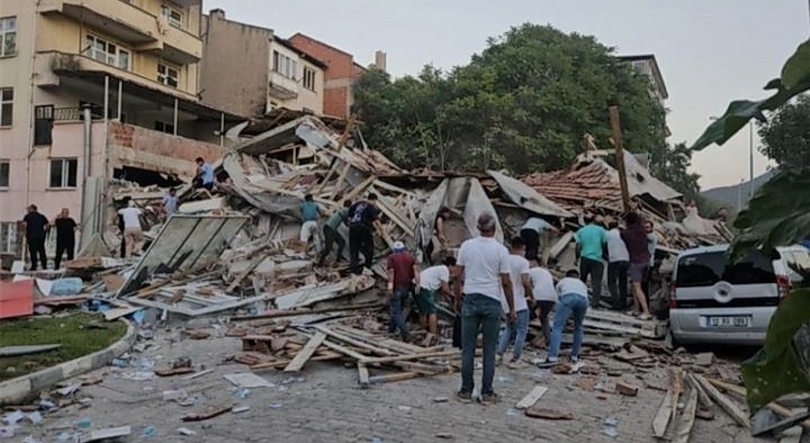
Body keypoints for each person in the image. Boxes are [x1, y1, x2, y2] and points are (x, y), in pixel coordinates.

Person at [454, 213, 514, 405]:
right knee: (489, 349)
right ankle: (487, 393)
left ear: (478, 228)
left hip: (470, 298)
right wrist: (511, 308)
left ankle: (465, 390)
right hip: (491, 301)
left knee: (467, 349)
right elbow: (506, 282)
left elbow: (457, 275)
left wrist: (457, 297)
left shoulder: (466, 246)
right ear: (494, 228)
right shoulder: (501, 250)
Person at [496, 237, 533, 369]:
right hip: (519, 300)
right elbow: (525, 281)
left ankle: (499, 354)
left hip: (505, 299)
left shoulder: (504, 260)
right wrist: (530, 294)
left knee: (509, 328)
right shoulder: (523, 262)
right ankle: (516, 357)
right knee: (521, 330)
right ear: (522, 247)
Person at [541, 269, 590, 365]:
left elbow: (558, 298)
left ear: (566, 276)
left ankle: (552, 357)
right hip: (583, 300)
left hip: (568, 297)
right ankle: (574, 356)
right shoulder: (582, 284)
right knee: (578, 327)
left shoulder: (563, 281)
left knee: (557, 326)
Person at [621, 211, 652, 320]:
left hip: (635, 262)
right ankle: (636, 309)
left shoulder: (625, 234)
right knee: (634, 286)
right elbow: (641, 222)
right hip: (646, 261)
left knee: (637, 287)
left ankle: (646, 312)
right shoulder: (642, 230)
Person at [386, 241, 419, 340]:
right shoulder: (410, 257)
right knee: (398, 309)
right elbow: (416, 271)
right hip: (407, 287)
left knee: (396, 311)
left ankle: (405, 333)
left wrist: (390, 287)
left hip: (397, 287)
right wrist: (417, 285)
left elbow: (391, 272)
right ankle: (391, 328)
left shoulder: (391, 258)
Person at [416, 256, 457, 337]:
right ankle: (433, 334)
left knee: (423, 311)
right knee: (432, 312)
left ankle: (423, 332)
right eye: (455, 267)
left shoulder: (440, 269)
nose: (456, 270)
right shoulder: (445, 270)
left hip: (417, 285)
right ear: (451, 266)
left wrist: (448, 299)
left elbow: (443, 291)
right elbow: (445, 289)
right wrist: (454, 296)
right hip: (424, 286)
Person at [575, 214, 607, 308]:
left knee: (582, 280)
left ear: (584, 221)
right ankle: (594, 303)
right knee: (596, 282)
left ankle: (580, 300)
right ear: (594, 220)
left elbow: (578, 246)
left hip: (584, 258)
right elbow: (604, 244)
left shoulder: (581, 231)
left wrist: (577, 258)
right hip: (597, 259)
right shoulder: (601, 230)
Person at [347, 193, 382, 274]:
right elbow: (376, 221)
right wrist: (381, 231)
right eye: (375, 201)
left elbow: (349, 217)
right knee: (369, 248)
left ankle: (353, 269)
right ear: (373, 200)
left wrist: (351, 225)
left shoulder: (357, 204)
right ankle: (367, 268)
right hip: (363, 228)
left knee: (354, 249)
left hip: (353, 228)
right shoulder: (370, 206)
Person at [528, 261, 556, 346]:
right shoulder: (547, 273)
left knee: (527, 315)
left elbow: (527, 285)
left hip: (539, 295)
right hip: (552, 297)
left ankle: (517, 335)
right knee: (543, 317)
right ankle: (548, 339)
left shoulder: (530, 271)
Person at [317, 199, 351, 266]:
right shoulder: (346, 210)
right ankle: (320, 263)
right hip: (329, 229)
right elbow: (347, 221)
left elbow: (346, 223)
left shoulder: (342, 210)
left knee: (342, 242)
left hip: (330, 228)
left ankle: (338, 259)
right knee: (328, 247)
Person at [605, 220, 630, 311]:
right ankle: (624, 302)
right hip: (625, 258)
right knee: (623, 282)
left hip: (614, 259)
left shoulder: (607, 234)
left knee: (612, 282)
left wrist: (606, 256)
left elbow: (603, 244)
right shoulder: (622, 234)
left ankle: (616, 303)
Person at [22, 204, 49, 271]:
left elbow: (24, 225)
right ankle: (44, 265)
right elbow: (47, 225)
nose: (28, 210)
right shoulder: (41, 216)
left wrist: (25, 232)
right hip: (40, 237)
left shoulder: (27, 216)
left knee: (33, 252)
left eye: (28, 209)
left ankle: (34, 266)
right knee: (41, 251)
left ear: (31, 209)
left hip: (31, 236)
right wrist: (44, 232)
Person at [643, 219, 658, 306]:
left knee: (644, 285)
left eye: (647, 227)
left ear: (651, 228)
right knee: (642, 286)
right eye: (644, 227)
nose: (646, 229)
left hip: (648, 264)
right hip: (643, 262)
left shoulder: (652, 236)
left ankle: (646, 306)